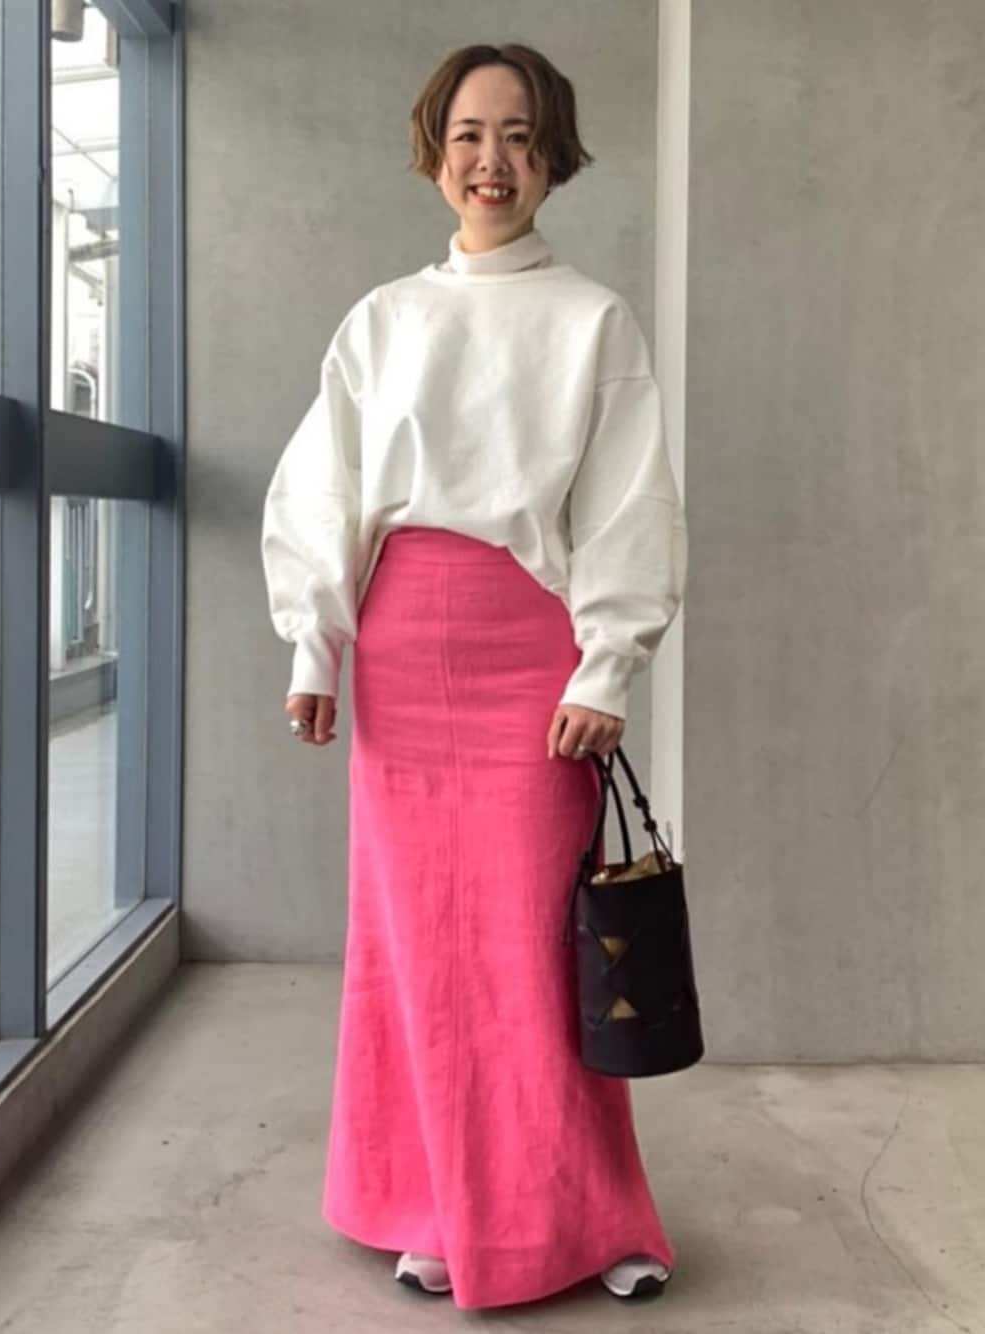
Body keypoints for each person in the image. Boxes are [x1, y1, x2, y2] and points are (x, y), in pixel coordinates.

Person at [260, 41, 688, 1312]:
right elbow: (324, 490)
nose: (490, 160)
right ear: (433, 152)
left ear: (552, 154)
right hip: (400, 651)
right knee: (415, 940)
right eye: (467, 134)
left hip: (531, 650)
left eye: (515, 134)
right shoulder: (382, 319)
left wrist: (607, 663)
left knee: (538, 944)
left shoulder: (593, 319)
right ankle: (433, 1204)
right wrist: (315, 641)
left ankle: (587, 1213)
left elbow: (629, 505)